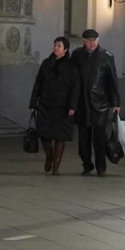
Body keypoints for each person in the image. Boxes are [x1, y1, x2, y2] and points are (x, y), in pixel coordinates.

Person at [73, 28, 121, 175]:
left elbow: (112, 81)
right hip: (82, 103)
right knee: (83, 138)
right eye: (89, 40)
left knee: (100, 137)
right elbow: (73, 78)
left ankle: (101, 167)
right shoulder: (77, 55)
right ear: (84, 41)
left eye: (94, 40)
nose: (92, 43)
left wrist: (115, 102)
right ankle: (87, 164)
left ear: (98, 40)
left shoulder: (106, 56)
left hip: (100, 104)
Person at [29, 36, 78, 175]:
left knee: (60, 136)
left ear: (65, 49)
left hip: (63, 106)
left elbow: (75, 87)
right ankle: (49, 155)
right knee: (44, 134)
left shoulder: (71, 66)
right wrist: (33, 101)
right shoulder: (46, 63)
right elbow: (38, 83)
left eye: (59, 46)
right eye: (55, 45)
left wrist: (73, 106)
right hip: (46, 104)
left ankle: (56, 165)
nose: (56, 48)